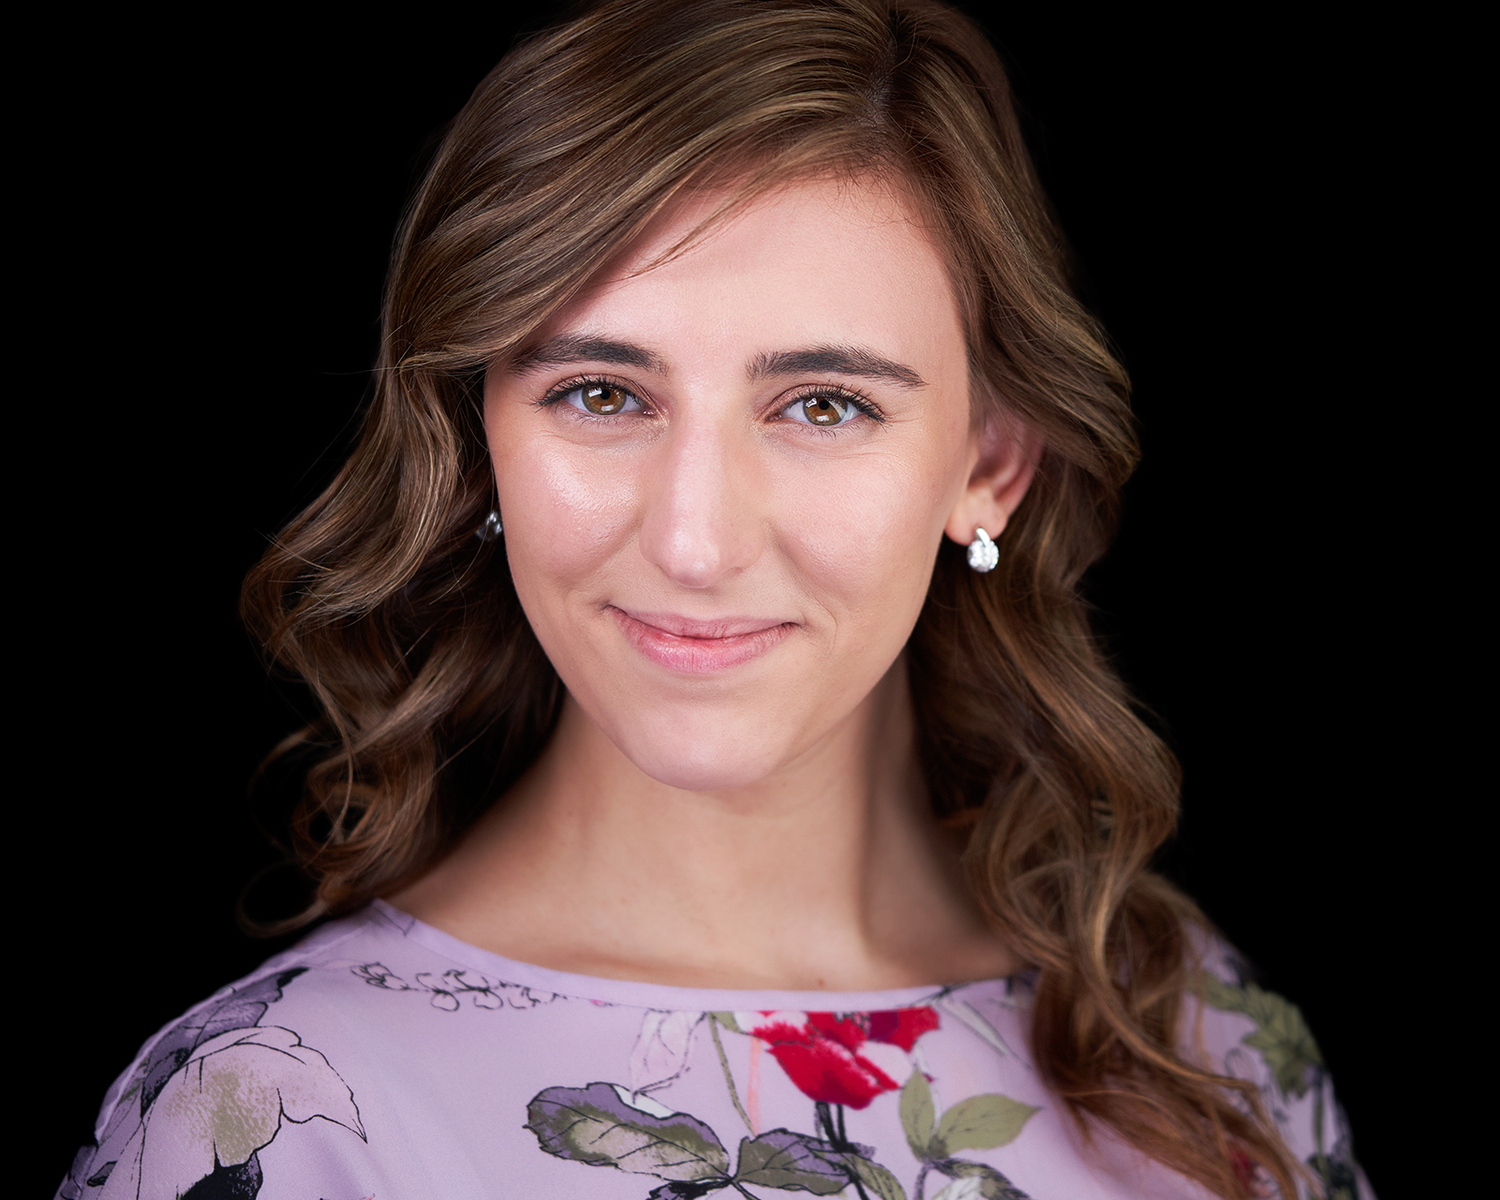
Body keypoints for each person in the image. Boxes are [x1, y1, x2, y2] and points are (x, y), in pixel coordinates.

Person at [59, 2, 1370, 1197]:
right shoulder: (269, 1125)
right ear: (477, 439)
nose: (695, 543)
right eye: (601, 394)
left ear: (990, 462)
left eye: (823, 406)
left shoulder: (1196, 1046)